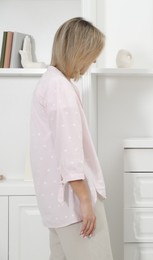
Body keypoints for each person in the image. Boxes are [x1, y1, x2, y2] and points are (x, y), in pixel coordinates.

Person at [30, 17, 113, 260]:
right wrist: (86, 202)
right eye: (92, 55)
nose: (94, 61)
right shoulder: (59, 89)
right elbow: (69, 153)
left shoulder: (50, 82)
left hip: (57, 206)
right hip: (74, 205)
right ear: (80, 52)